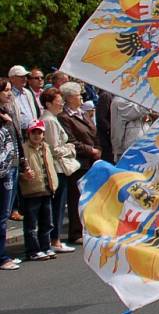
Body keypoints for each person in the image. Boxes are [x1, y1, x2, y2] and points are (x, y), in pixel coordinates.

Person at [58, 82, 101, 244]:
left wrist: (98, 148)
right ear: (69, 98)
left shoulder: (82, 113)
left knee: (91, 196)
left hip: (92, 160)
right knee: (77, 197)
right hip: (79, 162)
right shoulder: (64, 117)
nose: (81, 96)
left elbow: (93, 131)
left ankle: (89, 227)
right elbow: (71, 140)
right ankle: (76, 232)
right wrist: (90, 150)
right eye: (77, 94)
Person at [40, 88, 79, 253]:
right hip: (57, 168)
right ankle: (54, 239)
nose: (61, 103)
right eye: (58, 100)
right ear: (49, 103)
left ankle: (54, 238)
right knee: (57, 204)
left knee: (59, 204)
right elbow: (54, 148)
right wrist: (70, 148)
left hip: (59, 167)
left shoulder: (52, 119)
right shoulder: (49, 121)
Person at [0, 79, 30, 270]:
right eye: (6, 91)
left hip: (12, 167)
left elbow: (17, 139)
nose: (9, 94)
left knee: (4, 212)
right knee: (2, 215)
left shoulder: (8, 111)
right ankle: (2, 257)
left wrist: (23, 163)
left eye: (10, 90)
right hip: (3, 171)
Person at [19, 119, 58, 261]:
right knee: (31, 223)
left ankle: (45, 246)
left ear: (43, 134)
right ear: (28, 134)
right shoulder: (23, 149)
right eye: (33, 132)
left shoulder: (46, 147)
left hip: (47, 189)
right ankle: (32, 250)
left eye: (39, 133)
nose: (36, 135)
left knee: (47, 222)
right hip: (31, 190)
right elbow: (18, 169)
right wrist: (24, 175)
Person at [110, 96, 150, 162]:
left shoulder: (135, 99)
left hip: (142, 147)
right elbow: (139, 110)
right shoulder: (120, 101)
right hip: (128, 150)